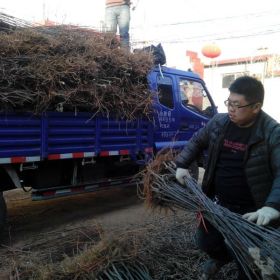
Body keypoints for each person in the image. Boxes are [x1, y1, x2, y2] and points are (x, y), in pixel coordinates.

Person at [174, 76, 280, 279]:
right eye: (229, 102)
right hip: (218, 203)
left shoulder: (272, 133)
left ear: (256, 107)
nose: (230, 109)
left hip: (251, 212)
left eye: (237, 105)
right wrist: (181, 164)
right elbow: (197, 141)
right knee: (205, 242)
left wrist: (273, 205)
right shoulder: (220, 122)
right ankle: (220, 258)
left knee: (249, 259)